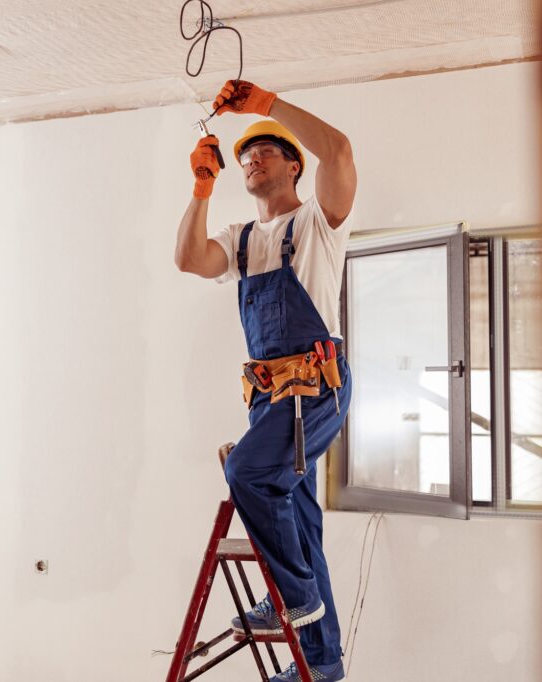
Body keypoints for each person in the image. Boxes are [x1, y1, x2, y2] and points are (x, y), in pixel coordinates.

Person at [174, 79, 356, 682]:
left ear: (294, 163)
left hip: (316, 389)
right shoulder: (242, 240)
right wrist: (202, 190)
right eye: (245, 155)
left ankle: (292, 593)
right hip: (270, 401)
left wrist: (266, 106)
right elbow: (189, 259)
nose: (252, 157)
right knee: (299, 523)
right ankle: (323, 663)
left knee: (247, 471)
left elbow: (340, 151)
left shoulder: (318, 224)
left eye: (267, 149)